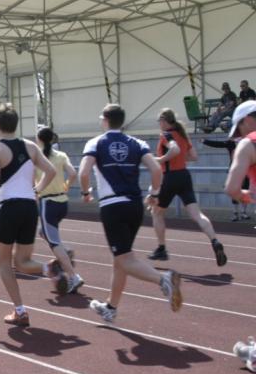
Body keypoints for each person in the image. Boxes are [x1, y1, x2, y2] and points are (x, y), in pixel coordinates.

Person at [78, 104, 183, 321]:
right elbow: (156, 169)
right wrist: (154, 194)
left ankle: (164, 279)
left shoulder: (95, 143)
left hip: (113, 206)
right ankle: (111, 307)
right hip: (135, 206)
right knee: (120, 259)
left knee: (125, 259)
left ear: (105, 120)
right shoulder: (138, 143)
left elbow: (84, 172)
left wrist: (86, 192)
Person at [0, 104, 58, 327]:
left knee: (4, 263)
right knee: (23, 262)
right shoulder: (31, 146)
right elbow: (51, 171)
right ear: (16, 124)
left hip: (8, 207)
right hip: (29, 208)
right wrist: (37, 190)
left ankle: (20, 311)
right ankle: (48, 268)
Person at [148, 108, 226, 267]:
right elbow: (193, 156)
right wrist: (177, 159)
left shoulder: (166, 135)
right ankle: (215, 240)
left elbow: (175, 149)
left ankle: (161, 248)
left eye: (159, 121)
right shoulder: (183, 135)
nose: (159, 124)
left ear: (164, 121)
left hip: (169, 177)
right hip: (184, 176)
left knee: (156, 212)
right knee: (197, 214)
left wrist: (161, 159)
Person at [35, 127, 84, 294]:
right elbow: (73, 173)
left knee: (53, 242)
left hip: (47, 203)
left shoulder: (36, 158)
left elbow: (32, 182)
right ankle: (65, 251)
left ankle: (73, 277)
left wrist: (35, 191)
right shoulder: (61, 155)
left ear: (38, 139)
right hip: (62, 202)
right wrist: (66, 186)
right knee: (44, 232)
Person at [202, 135, 250, 221]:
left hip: (246, 171)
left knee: (245, 191)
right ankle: (235, 213)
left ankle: (244, 212)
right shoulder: (231, 143)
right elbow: (218, 144)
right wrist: (205, 141)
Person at [224, 101, 256, 207]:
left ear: (247, 120)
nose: (240, 136)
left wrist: (246, 197)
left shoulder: (248, 144)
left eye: (238, 130)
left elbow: (232, 189)